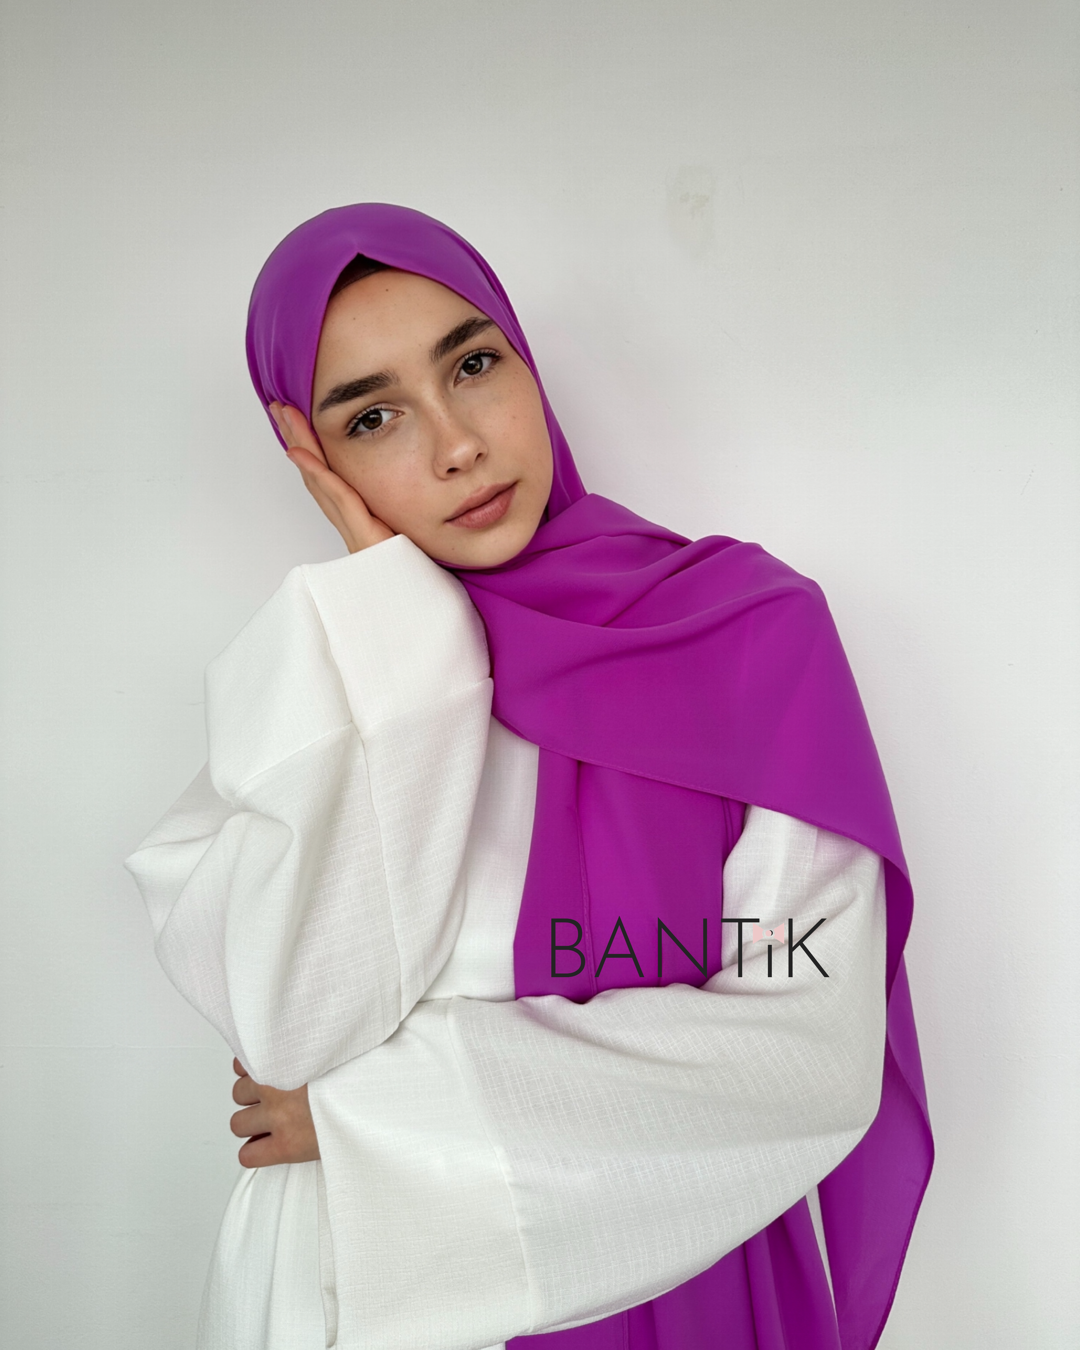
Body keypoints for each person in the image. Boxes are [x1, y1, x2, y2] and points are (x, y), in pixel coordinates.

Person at [124, 204, 933, 1350]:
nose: (457, 444)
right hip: (366, 1294)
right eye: (373, 417)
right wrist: (408, 642)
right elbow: (297, 1027)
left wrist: (367, 1119)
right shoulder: (331, 675)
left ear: (526, 362)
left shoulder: (745, 639)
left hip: (674, 1281)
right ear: (315, 460)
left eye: (472, 364)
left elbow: (807, 1050)